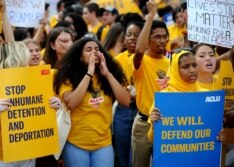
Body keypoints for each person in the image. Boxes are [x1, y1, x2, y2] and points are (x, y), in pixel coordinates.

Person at [53, 36, 131, 167]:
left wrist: (107, 74)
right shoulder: (68, 76)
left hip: (103, 143)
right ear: (80, 57)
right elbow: (71, 103)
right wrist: (89, 74)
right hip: (75, 143)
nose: (94, 52)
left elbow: (126, 102)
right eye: (88, 50)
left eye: (97, 49)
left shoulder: (108, 75)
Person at [131, 0, 170, 166]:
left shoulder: (171, 63)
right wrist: (150, 16)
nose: (162, 40)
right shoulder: (142, 61)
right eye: (157, 37)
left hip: (166, 124)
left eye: (165, 36)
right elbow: (139, 50)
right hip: (143, 125)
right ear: (148, 39)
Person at [112, 13, 144, 167]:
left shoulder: (148, 59)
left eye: (137, 35)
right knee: (123, 158)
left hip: (143, 110)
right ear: (124, 39)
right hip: (123, 111)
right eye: (129, 35)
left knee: (137, 159)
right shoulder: (117, 60)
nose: (132, 38)